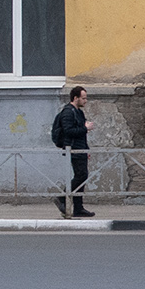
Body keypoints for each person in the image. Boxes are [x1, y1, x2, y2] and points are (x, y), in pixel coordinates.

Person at [53, 85, 94, 217]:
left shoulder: (79, 112)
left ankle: (78, 207)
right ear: (75, 98)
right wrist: (85, 128)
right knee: (81, 176)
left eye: (86, 98)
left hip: (80, 148)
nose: (85, 101)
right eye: (83, 98)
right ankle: (63, 197)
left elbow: (81, 135)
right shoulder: (68, 112)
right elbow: (68, 131)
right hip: (73, 148)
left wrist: (86, 150)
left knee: (82, 176)